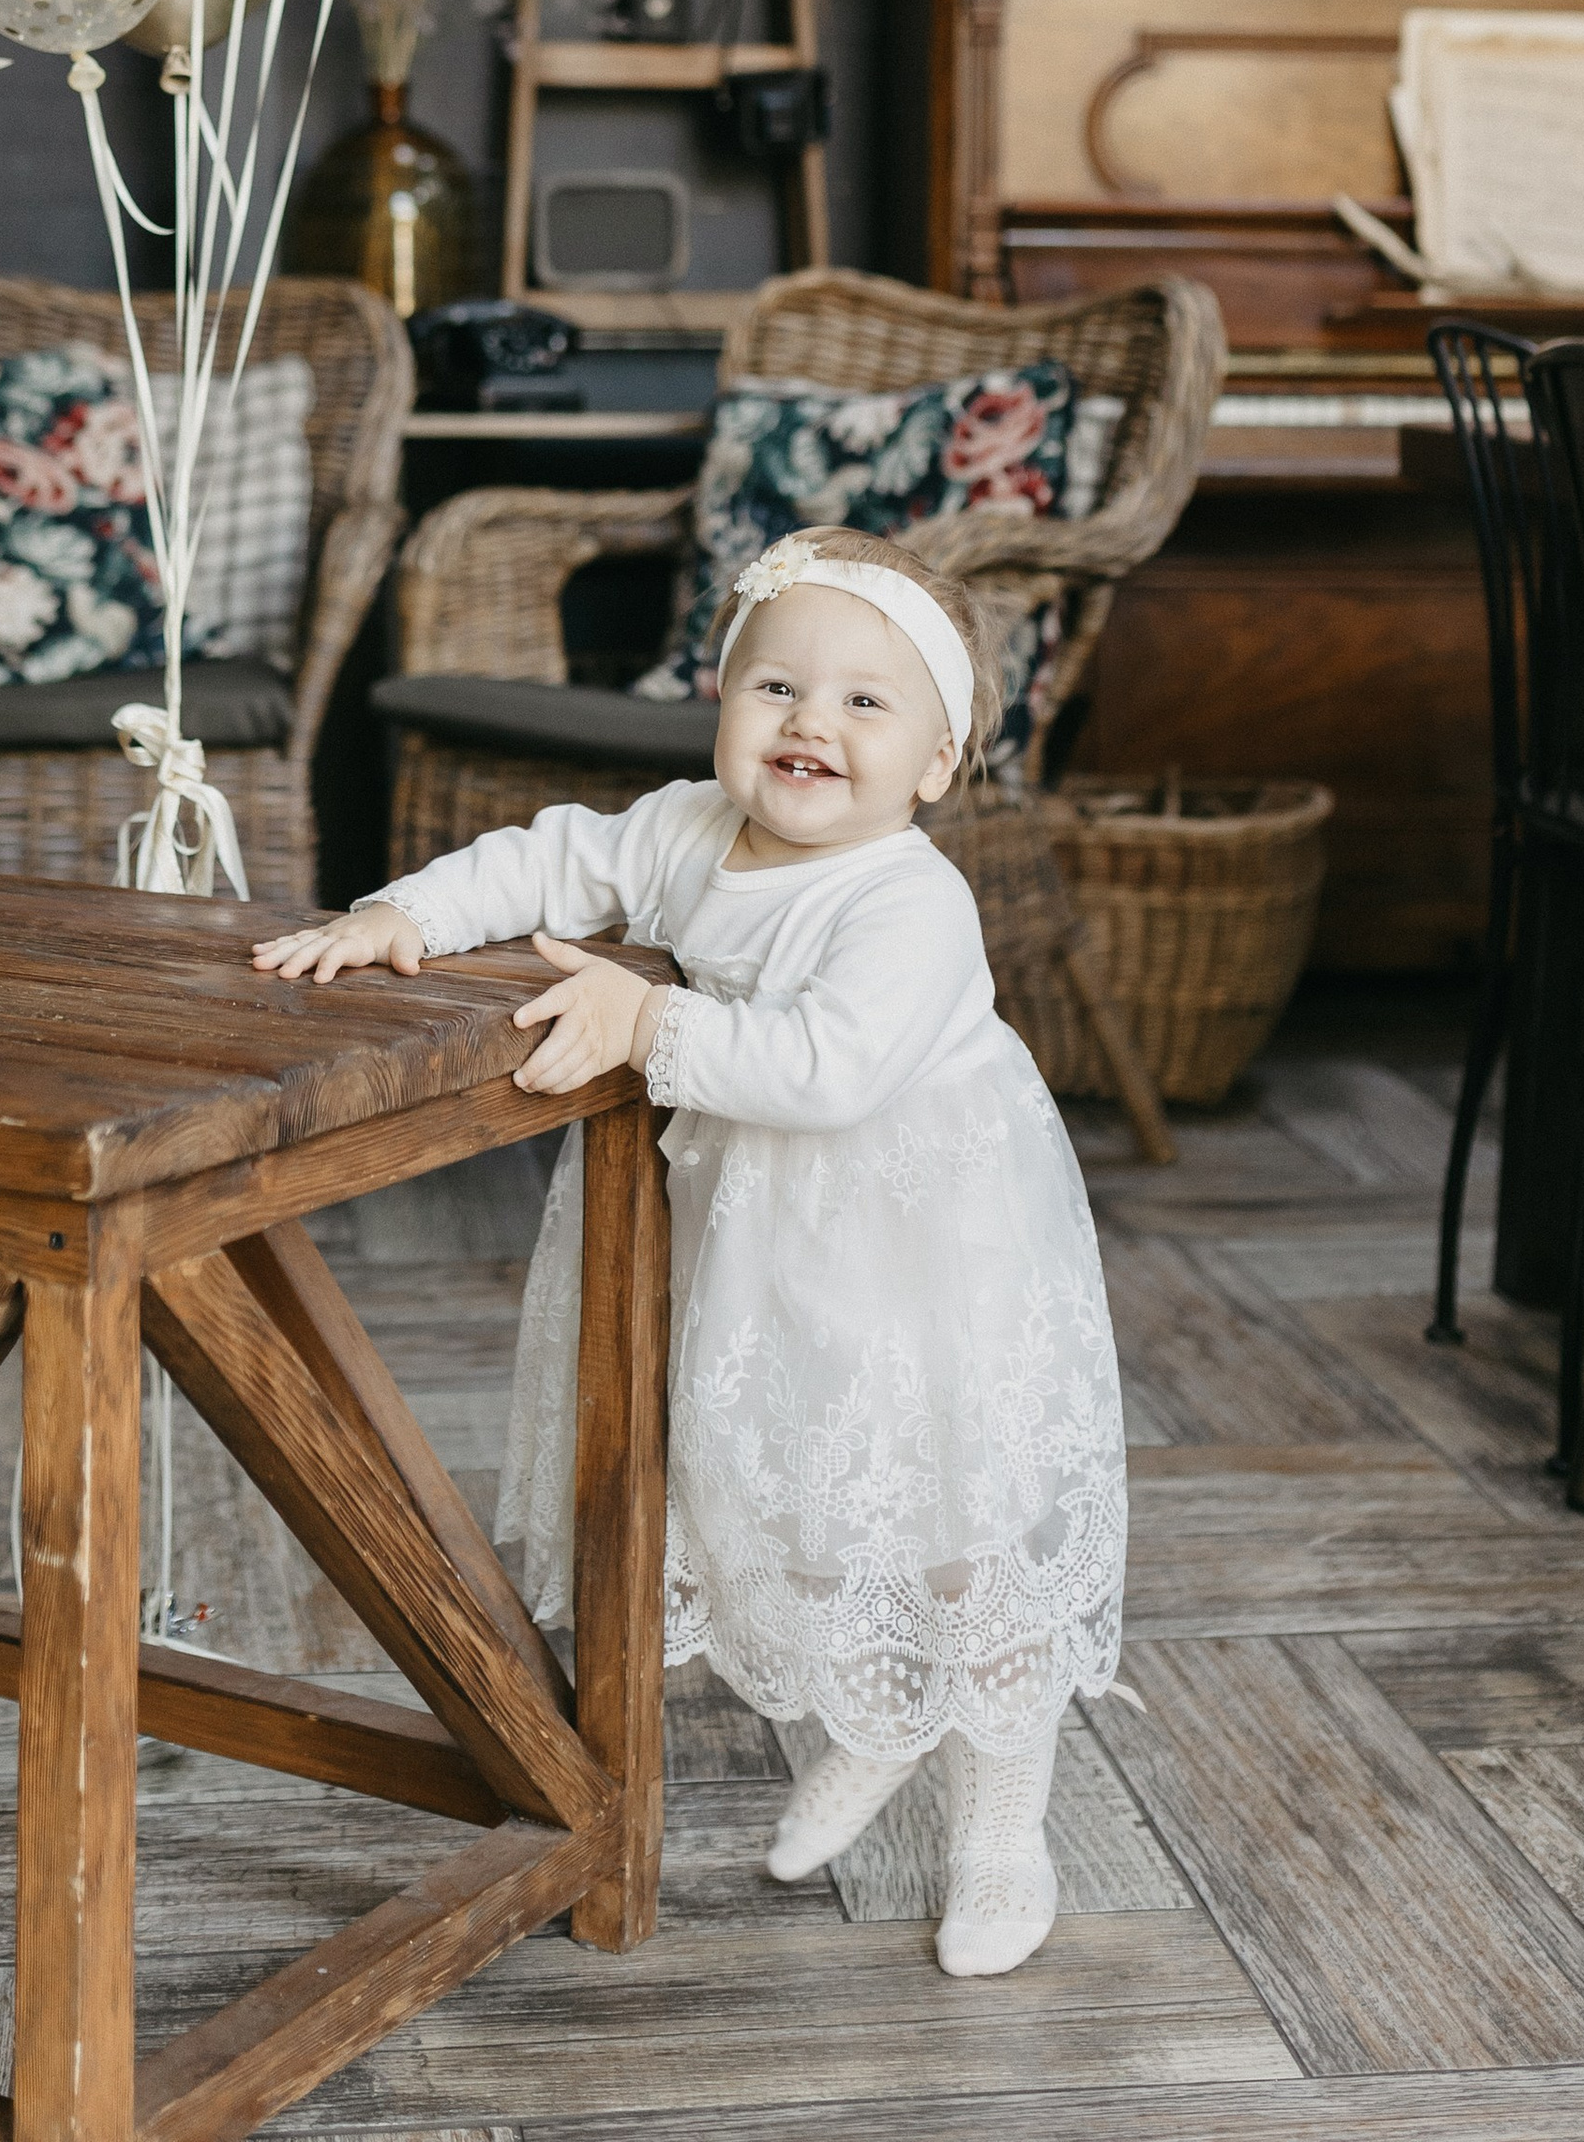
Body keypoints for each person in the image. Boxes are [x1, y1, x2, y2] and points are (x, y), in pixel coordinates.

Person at [251, 522, 1131, 1979]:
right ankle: (880, 1720)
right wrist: (410, 911)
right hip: (767, 1249)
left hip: (928, 1254)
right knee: (801, 1499)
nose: (810, 723)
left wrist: (647, 1021)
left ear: (934, 764)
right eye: (776, 686)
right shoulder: (684, 830)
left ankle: (1001, 1828)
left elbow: (831, 1069)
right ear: (722, 701)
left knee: (964, 1529)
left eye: (864, 702)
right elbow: (552, 860)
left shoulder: (908, 899)